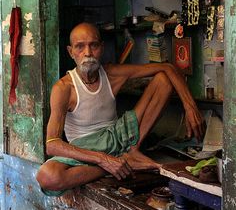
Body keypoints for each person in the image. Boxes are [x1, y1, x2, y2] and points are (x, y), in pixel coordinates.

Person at [36, 22, 205, 196]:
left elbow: (167, 67)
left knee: (163, 80)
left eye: (93, 45)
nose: (87, 53)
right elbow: (52, 145)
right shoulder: (63, 88)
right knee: (48, 177)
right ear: (71, 52)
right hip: (86, 149)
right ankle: (123, 162)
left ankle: (132, 151)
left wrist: (190, 107)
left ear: (101, 48)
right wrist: (104, 160)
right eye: (80, 47)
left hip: (119, 137)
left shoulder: (111, 73)